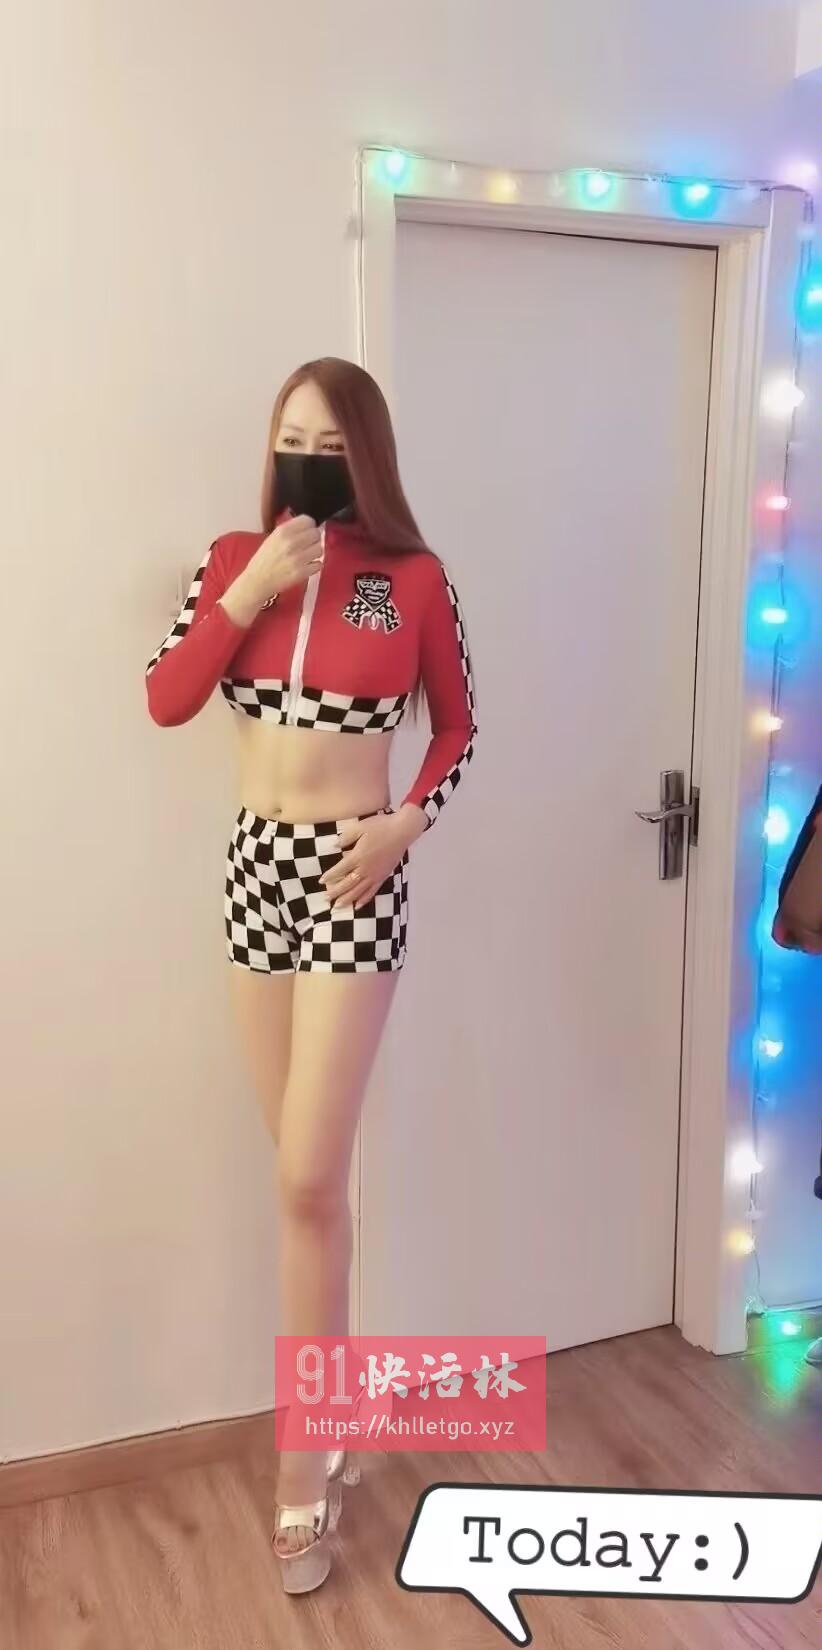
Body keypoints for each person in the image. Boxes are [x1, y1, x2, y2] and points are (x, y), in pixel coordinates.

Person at [144, 357, 478, 1593]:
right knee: (307, 1187)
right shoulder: (234, 559)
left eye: (334, 446)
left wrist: (406, 825)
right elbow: (167, 698)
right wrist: (247, 593)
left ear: (369, 456)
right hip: (255, 872)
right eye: (293, 438)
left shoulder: (414, 579)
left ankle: (301, 1473)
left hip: (352, 877)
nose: (310, 462)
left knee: (306, 1177)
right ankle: (335, 1419)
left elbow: (458, 725)